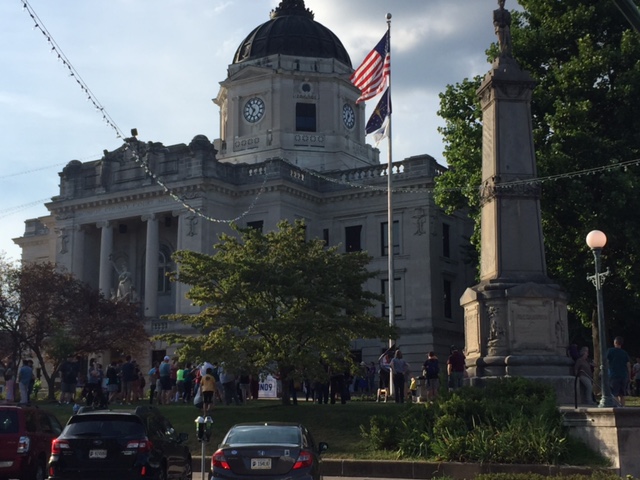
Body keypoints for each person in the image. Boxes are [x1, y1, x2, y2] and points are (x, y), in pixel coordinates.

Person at [606, 336, 631, 406]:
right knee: (622, 394)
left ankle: (617, 408)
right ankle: (623, 408)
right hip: (624, 375)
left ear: (615, 342)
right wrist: (629, 376)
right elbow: (628, 365)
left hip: (614, 375)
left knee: (615, 394)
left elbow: (606, 362)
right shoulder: (624, 353)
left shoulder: (610, 351)